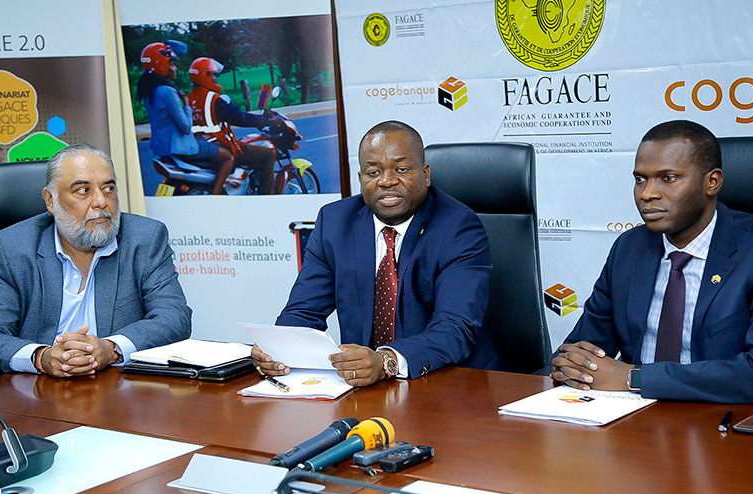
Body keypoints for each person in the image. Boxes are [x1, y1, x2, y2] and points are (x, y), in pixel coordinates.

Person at [550, 120, 753, 403]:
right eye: (640, 179)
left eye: (668, 178)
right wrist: (571, 366)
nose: (647, 193)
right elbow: (581, 349)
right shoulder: (629, 248)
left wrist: (633, 378)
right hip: (628, 419)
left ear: (712, 182)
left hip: (720, 422)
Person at [252, 120, 498, 386]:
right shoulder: (335, 222)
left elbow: (455, 328)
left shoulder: (458, 227)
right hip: (362, 386)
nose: (387, 181)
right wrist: (277, 347)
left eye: (401, 169)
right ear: (361, 179)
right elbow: (304, 310)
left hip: (447, 382)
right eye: (373, 172)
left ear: (425, 174)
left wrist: (385, 361)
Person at [0, 143, 192, 377]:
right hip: (31, 393)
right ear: (50, 200)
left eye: (109, 188)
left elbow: (174, 318)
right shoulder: (13, 247)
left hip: (117, 392)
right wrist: (41, 357)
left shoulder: (145, 239)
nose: (101, 202)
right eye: (83, 190)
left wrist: (111, 349)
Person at [138, 41, 235, 195]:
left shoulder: (149, 92)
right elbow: (185, 127)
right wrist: (186, 104)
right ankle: (216, 197)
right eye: (172, 64)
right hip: (182, 148)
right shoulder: (168, 92)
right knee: (228, 157)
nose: (176, 68)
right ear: (161, 65)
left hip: (163, 149)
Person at [188, 57, 278, 195]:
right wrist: (266, 120)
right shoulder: (214, 99)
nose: (215, 79)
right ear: (206, 76)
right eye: (214, 75)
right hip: (216, 144)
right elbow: (241, 118)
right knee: (268, 154)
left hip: (198, 145)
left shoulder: (189, 98)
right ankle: (266, 197)